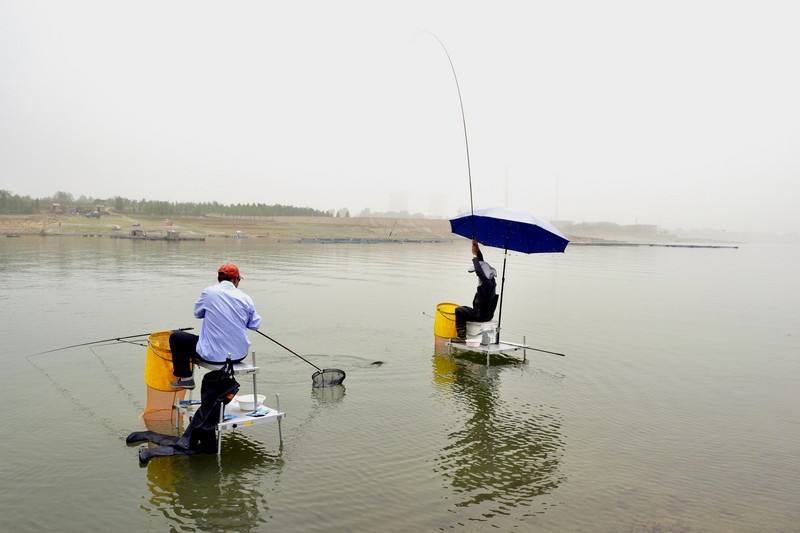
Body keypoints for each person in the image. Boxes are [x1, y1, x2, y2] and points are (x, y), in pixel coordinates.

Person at [169, 263, 262, 389]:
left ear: (219, 279)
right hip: (239, 355)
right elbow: (255, 325)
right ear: (235, 280)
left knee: (176, 337)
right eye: (239, 280)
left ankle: (186, 379)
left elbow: (197, 313)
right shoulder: (246, 298)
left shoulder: (209, 292)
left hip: (213, 356)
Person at [454, 240, 498, 340]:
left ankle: (461, 337)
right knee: (464, 308)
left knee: (459, 310)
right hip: (488, 314)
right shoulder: (491, 281)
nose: (478, 276)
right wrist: (477, 251)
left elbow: (479, 271)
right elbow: (482, 267)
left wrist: (474, 256)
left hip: (480, 315)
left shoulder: (486, 283)